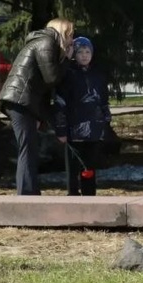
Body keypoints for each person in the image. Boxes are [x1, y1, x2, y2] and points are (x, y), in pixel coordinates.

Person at [0, 17, 74, 195]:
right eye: (70, 35)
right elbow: (51, 78)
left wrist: (41, 116)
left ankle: (30, 192)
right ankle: (27, 194)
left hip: (23, 101)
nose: (72, 40)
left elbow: (42, 86)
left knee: (29, 148)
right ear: (62, 33)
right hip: (19, 100)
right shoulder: (46, 42)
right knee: (27, 148)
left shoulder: (43, 42)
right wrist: (67, 60)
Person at [53, 37, 111, 196]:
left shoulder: (97, 75)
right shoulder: (68, 75)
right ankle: (73, 194)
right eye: (80, 52)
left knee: (89, 166)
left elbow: (103, 100)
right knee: (74, 166)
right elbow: (60, 103)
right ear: (74, 54)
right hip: (74, 130)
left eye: (87, 52)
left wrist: (106, 121)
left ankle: (89, 194)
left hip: (94, 129)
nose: (84, 55)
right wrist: (61, 130)